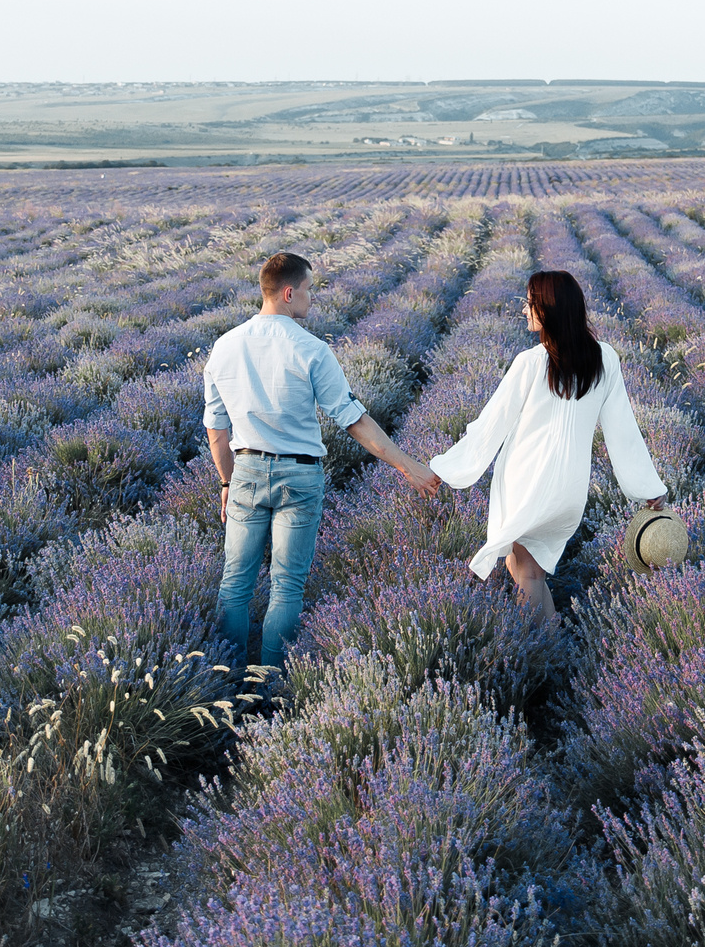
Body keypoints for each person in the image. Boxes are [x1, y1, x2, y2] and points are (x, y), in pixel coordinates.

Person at [203, 251, 438, 673]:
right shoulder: (311, 349)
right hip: (299, 475)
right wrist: (409, 467)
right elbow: (354, 421)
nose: (312, 299)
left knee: (234, 584)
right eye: (308, 290)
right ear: (288, 293)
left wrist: (226, 482)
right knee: (287, 587)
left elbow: (216, 430)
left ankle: (226, 680)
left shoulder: (224, 346)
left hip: (246, 472)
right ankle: (269, 687)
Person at [425, 270, 666, 623]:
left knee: (528, 573)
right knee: (523, 566)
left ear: (549, 308)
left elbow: (490, 425)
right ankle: (553, 644)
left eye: (530, 303)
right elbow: (623, 431)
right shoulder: (604, 359)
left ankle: (535, 651)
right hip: (570, 486)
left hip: (528, 480)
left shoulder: (531, 362)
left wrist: (446, 468)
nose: (524, 309)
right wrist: (648, 487)